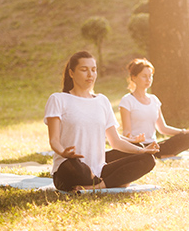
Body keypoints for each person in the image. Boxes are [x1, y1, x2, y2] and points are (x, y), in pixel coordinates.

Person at [45, 51, 159, 191]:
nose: (90, 74)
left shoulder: (102, 101)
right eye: (84, 70)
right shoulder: (58, 99)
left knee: (147, 159)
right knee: (75, 165)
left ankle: (99, 185)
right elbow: (54, 140)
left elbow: (115, 141)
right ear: (71, 73)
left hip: (99, 170)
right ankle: (115, 181)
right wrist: (64, 153)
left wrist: (142, 151)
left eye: (93, 70)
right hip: (70, 168)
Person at [114, 58, 189, 161]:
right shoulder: (127, 100)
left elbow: (163, 128)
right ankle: (149, 155)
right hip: (137, 146)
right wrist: (133, 139)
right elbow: (126, 132)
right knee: (137, 151)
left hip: (154, 146)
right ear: (134, 78)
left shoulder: (154, 99)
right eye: (144, 76)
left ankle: (155, 154)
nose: (148, 79)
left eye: (150, 76)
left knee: (186, 138)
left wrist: (186, 131)